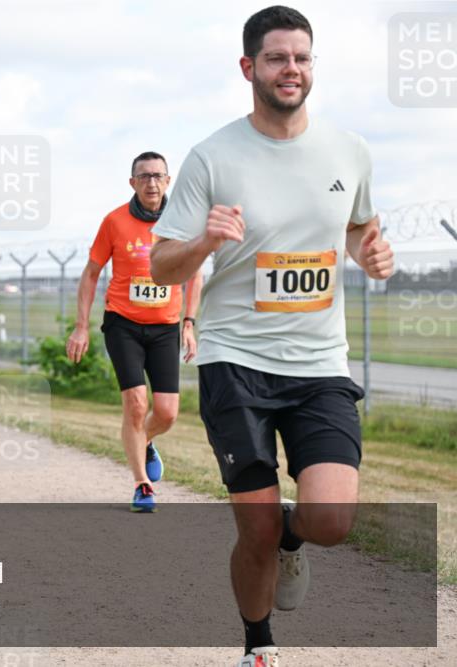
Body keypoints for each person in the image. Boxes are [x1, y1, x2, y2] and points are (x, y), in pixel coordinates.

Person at [148, 7, 395, 665]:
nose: (293, 69)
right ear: (249, 67)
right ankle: (258, 644)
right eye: (279, 58)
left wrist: (369, 253)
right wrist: (205, 238)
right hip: (236, 361)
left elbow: (357, 229)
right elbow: (160, 263)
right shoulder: (212, 156)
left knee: (331, 521)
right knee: (251, 526)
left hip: (319, 362)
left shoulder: (350, 150)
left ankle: (293, 538)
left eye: (303, 58)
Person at [67, 151, 203, 513]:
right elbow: (91, 273)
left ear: (168, 180)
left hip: (164, 327)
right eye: (144, 176)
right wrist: (81, 327)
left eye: (158, 176)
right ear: (132, 182)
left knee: (168, 413)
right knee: (136, 403)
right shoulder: (114, 221)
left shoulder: (183, 223)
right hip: (123, 324)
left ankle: (144, 440)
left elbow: (195, 275)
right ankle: (142, 485)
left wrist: (189, 323)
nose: (152, 183)